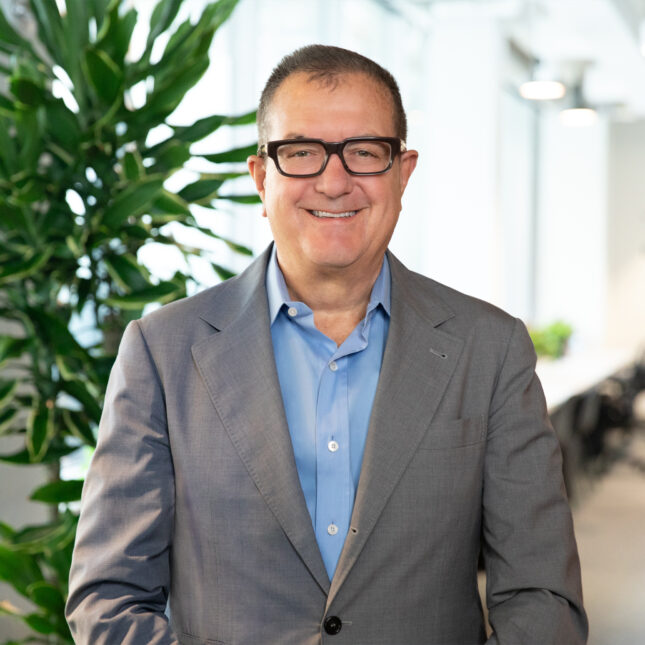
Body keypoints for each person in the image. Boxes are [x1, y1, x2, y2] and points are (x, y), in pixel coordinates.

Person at [66, 44, 588, 644]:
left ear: (403, 172)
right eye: (301, 152)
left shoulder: (490, 350)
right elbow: (109, 596)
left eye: (365, 152)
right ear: (262, 176)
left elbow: (542, 595)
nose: (334, 181)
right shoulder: (163, 352)